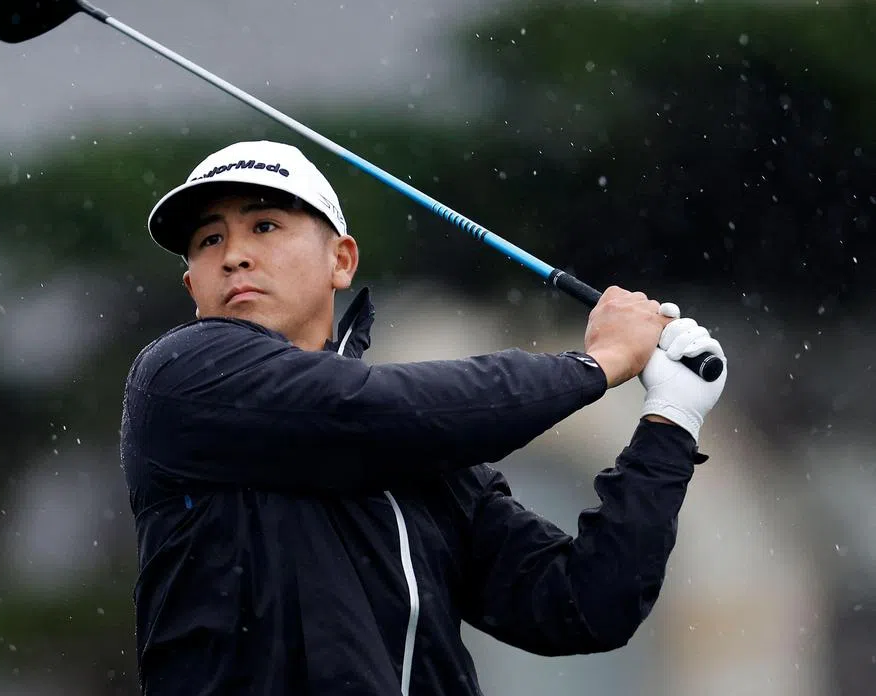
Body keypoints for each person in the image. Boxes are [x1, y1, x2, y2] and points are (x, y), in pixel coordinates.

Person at [119, 140, 727, 696]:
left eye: (265, 225)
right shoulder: (180, 376)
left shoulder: (423, 456)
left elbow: (585, 604)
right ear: (191, 283)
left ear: (342, 260)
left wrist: (669, 423)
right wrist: (599, 364)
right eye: (209, 241)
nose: (234, 257)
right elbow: (367, 410)